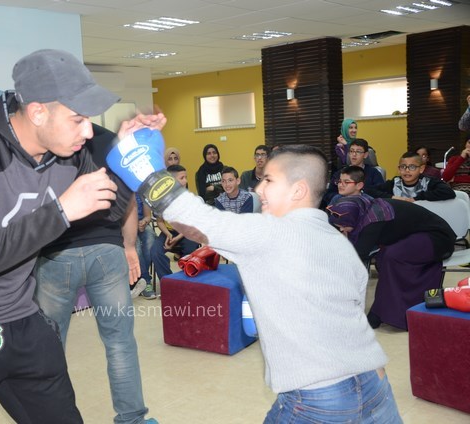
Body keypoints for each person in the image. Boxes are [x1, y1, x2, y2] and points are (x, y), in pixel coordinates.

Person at [0, 48, 154, 423]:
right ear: (38, 111)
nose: (88, 131)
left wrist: (124, 158)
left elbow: (109, 211)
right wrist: (61, 211)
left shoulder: (69, 150)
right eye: (78, 119)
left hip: (22, 318)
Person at [110, 142, 402, 422]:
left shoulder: (269, 232)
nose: (259, 188)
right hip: (376, 383)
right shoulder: (340, 244)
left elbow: (193, 220)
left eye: (270, 181)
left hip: (316, 398)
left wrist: (146, 172)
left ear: (298, 190)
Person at [35, 122, 162, 424]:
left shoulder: (47, 138)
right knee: (120, 342)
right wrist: (129, 246)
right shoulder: (107, 139)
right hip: (107, 251)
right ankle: (132, 419)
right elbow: (129, 198)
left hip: (57, 253)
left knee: (49, 347)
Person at [327, 195, 455, 330]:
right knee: (384, 257)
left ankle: (387, 313)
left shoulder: (374, 218)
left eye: (344, 226)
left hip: (438, 238)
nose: (341, 229)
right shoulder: (363, 211)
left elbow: (358, 254)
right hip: (416, 235)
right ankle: (386, 310)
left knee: (392, 256)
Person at [150, 164, 199, 287]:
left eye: (186, 177)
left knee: (190, 251)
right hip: (170, 232)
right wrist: (167, 234)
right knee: (155, 251)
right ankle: (169, 283)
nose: (186, 181)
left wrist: (177, 238)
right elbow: (160, 221)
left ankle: (188, 283)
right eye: (182, 178)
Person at [366, 151, 455, 201]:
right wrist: (393, 198)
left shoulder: (428, 182)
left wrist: (416, 198)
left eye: (412, 167)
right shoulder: (395, 183)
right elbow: (369, 190)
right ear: (399, 169)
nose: (407, 170)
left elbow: (449, 192)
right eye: (403, 167)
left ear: (421, 169)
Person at [323, 138, 384, 206]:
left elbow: (381, 194)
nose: (354, 154)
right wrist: (344, 197)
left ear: (365, 154)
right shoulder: (340, 173)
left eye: (358, 151)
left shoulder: (374, 173)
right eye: (351, 151)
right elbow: (328, 194)